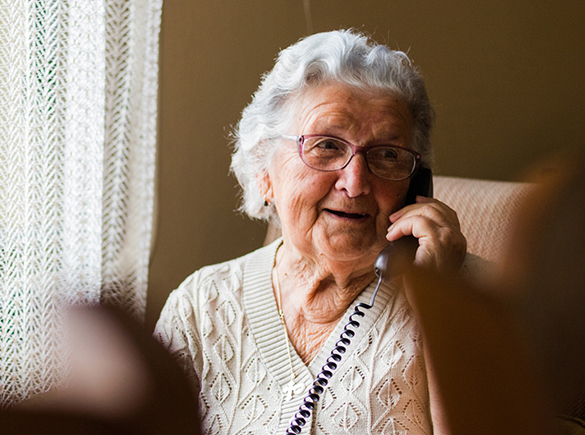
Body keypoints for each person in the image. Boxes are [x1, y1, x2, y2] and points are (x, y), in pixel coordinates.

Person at [155, 29, 467, 434]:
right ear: (264, 171)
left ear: (416, 183)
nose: (355, 183)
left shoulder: (474, 302)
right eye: (326, 146)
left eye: (388, 155)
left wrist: (444, 308)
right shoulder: (201, 308)